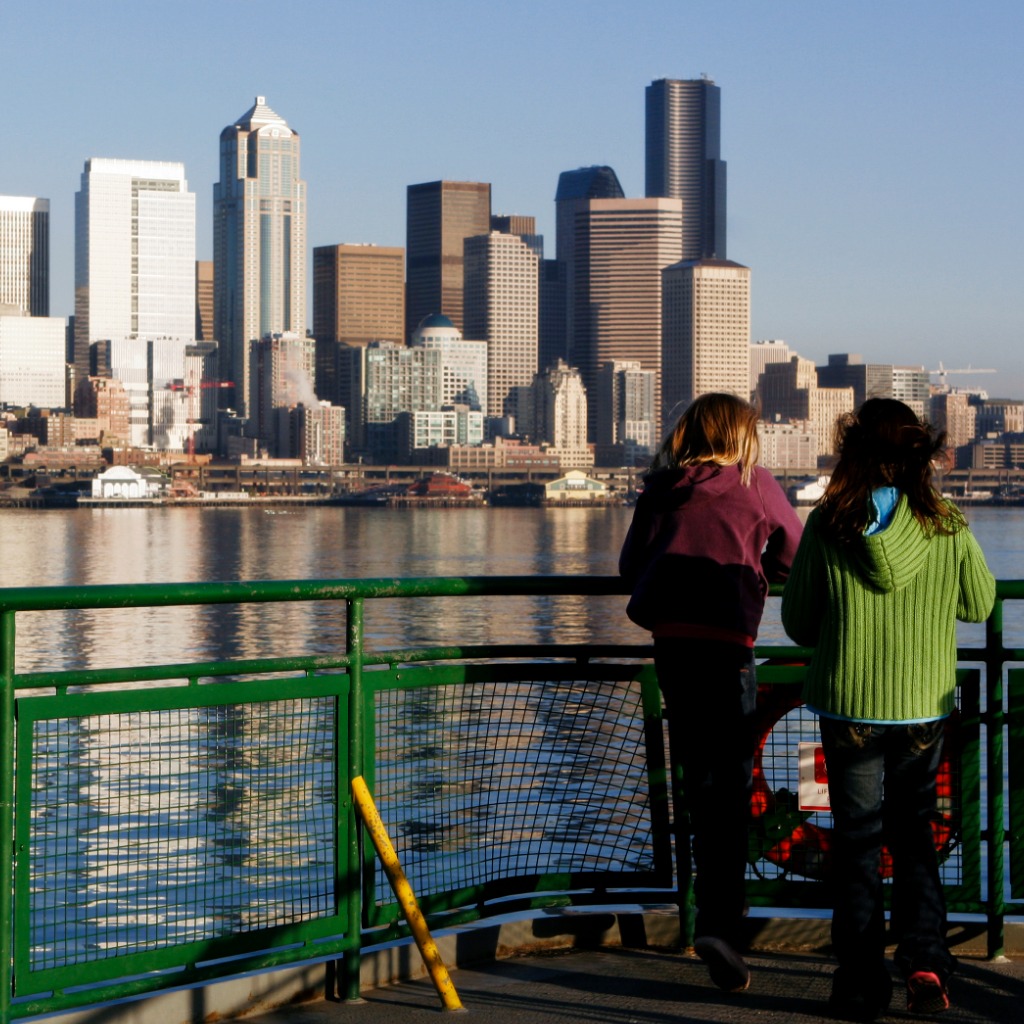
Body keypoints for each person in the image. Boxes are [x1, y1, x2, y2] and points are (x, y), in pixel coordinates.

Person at [781, 398, 995, 1020]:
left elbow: (797, 623)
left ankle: (858, 979)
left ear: (854, 452)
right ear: (918, 455)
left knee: (855, 842)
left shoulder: (829, 522)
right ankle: (925, 959)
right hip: (921, 705)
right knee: (914, 836)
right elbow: (979, 605)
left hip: (848, 704)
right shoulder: (948, 522)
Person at [619, 392, 803, 992]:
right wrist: (758, 568)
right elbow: (795, 554)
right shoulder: (759, 484)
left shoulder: (662, 486)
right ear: (743, 436)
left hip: (673, 646)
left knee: (699, 780)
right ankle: (721, 922)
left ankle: (706, 914)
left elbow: (630, 567)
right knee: (730, 785)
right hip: (730, 649)